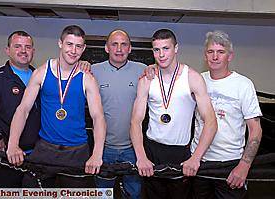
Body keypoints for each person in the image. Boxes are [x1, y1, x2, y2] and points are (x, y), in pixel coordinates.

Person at [6, 25, 106, 187]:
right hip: (46, 149)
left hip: (77, 151)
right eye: (69, 44)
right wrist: (13, 144)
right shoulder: (42, 72)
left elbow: (98, 117)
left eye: (78, 46)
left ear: (84, 48)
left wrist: (97, 154)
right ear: (60, 43)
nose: (73, 51)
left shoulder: (87, 78)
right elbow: (23, 109)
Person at [130, 29, 217, 199]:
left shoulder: (192, 78)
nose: (161, 55)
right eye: (156, 50)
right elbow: (135, 121)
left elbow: (211, 121)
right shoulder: (147, 79)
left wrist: (196, 158)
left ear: (176, 48)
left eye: (166, 48)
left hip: (180, 152)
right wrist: (141, 157)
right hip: (152, 150)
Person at [190, 30, 262, 199]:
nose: (215, 57)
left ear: (229, 56)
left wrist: (244, 165)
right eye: (210, 52)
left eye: (220, 52)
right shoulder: (196, 80)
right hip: (199, 161)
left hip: (230, 164)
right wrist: (150, 71)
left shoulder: (243, 85)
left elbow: (255, 129)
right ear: (205, 55)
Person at [0, 31, 40, 187]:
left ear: (33, 51)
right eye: (17, 46)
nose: (23, 51)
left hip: (37, 155)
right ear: (7, 50)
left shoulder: (41, 77)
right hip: (6, 157)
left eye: (28, 47)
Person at [91, 29, 146, 198]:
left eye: (124, 44)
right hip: (104, 148)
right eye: (114, 44)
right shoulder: (92, 71)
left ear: (130, 48)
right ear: (107, 48)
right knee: (103, 193)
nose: (119, 49)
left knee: (134, 193)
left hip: (132, 148)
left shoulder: (143, 71)